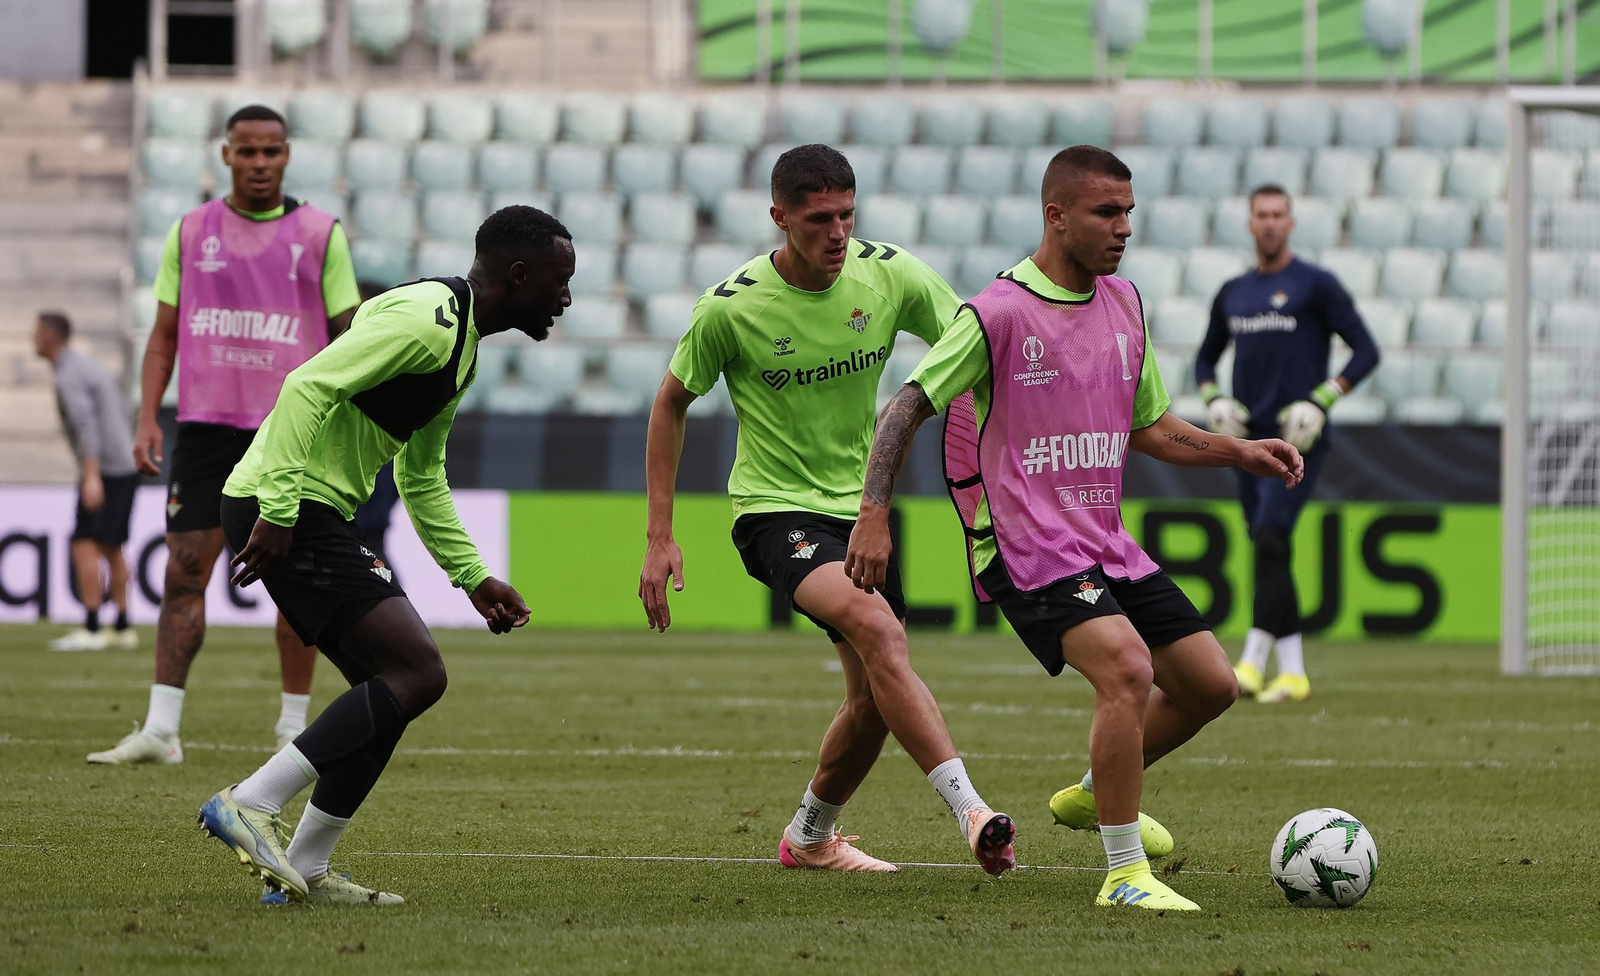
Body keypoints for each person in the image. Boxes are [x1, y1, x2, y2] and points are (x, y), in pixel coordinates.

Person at [847, 146, 1304, 911]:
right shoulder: (996, 312)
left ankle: (1098, 791)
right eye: (1106, 212)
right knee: (1126, 670)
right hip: (1025, 546)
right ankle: (1125, 875)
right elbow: (906, 407)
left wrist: (1239, 452)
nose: (1124, 227)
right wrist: (874, 514)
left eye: (1128, 211)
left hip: (1102, 541)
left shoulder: (1125, 301)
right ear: (1056, 217)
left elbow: (1151, 427)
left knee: (1210, 685)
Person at [638, 144, 1015, 877]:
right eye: (818, 219)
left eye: (847, 214)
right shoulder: (731, 308)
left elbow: (975, 349)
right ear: (779, 217)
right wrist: (660, 536)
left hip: (863, 510)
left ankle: (810, 836)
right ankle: (972, 812)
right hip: (774, 512)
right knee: (878, 628)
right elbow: (669, 404)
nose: (837, 232)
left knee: (873, 698)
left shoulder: (890, 274)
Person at [197, 205, 571, 905]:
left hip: (309, 508)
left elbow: (422, 476)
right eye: (560, 280)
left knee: (390, 690)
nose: (567, 297)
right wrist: (278, 511)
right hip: (287, 504)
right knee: (418, 671)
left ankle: (305, 867)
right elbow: (307, 385)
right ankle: (249, 803)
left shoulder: (459, 348)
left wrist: (471, 576)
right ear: (519, 275)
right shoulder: (429, 319)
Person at [88, 104, 361, 765]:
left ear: (288, 155)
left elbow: (352, 337)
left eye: (271, 151)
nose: (260, 163)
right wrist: (148, 415)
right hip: (206, 430)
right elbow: (162, 336)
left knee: (294, 582)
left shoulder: (321, 234)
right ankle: (161, 730)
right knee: (184, 573)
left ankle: (292, 728)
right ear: (226, 155)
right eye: (247, 152)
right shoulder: (190, 233)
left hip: (289, 433)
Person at [1195, 185, 1380, 704]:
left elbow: (1366, 350)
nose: (1271, 223)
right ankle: (1291, 671)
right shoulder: (1233, 291)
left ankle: (1254, 663)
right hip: (1247, 443)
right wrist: (1214, 400)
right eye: (1262, 215)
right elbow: (1205, 359)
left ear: (1291, 223)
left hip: (1299, 440)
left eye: (1279, 215)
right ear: (1251, 224)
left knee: (1272, 540)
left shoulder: (1316, 285)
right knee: (1267, 547)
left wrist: (1322, 399)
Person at [35, 311, 139, 652]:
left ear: (51, 336)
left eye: (37, 332)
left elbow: (86, 424)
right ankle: (123, 626)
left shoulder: (69, 374)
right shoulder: (87, 366)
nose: (33, 338)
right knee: (112, 547)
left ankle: (93, 626)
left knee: (84, 543)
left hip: (105, 468)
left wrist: (90, 474)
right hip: (122, 463)